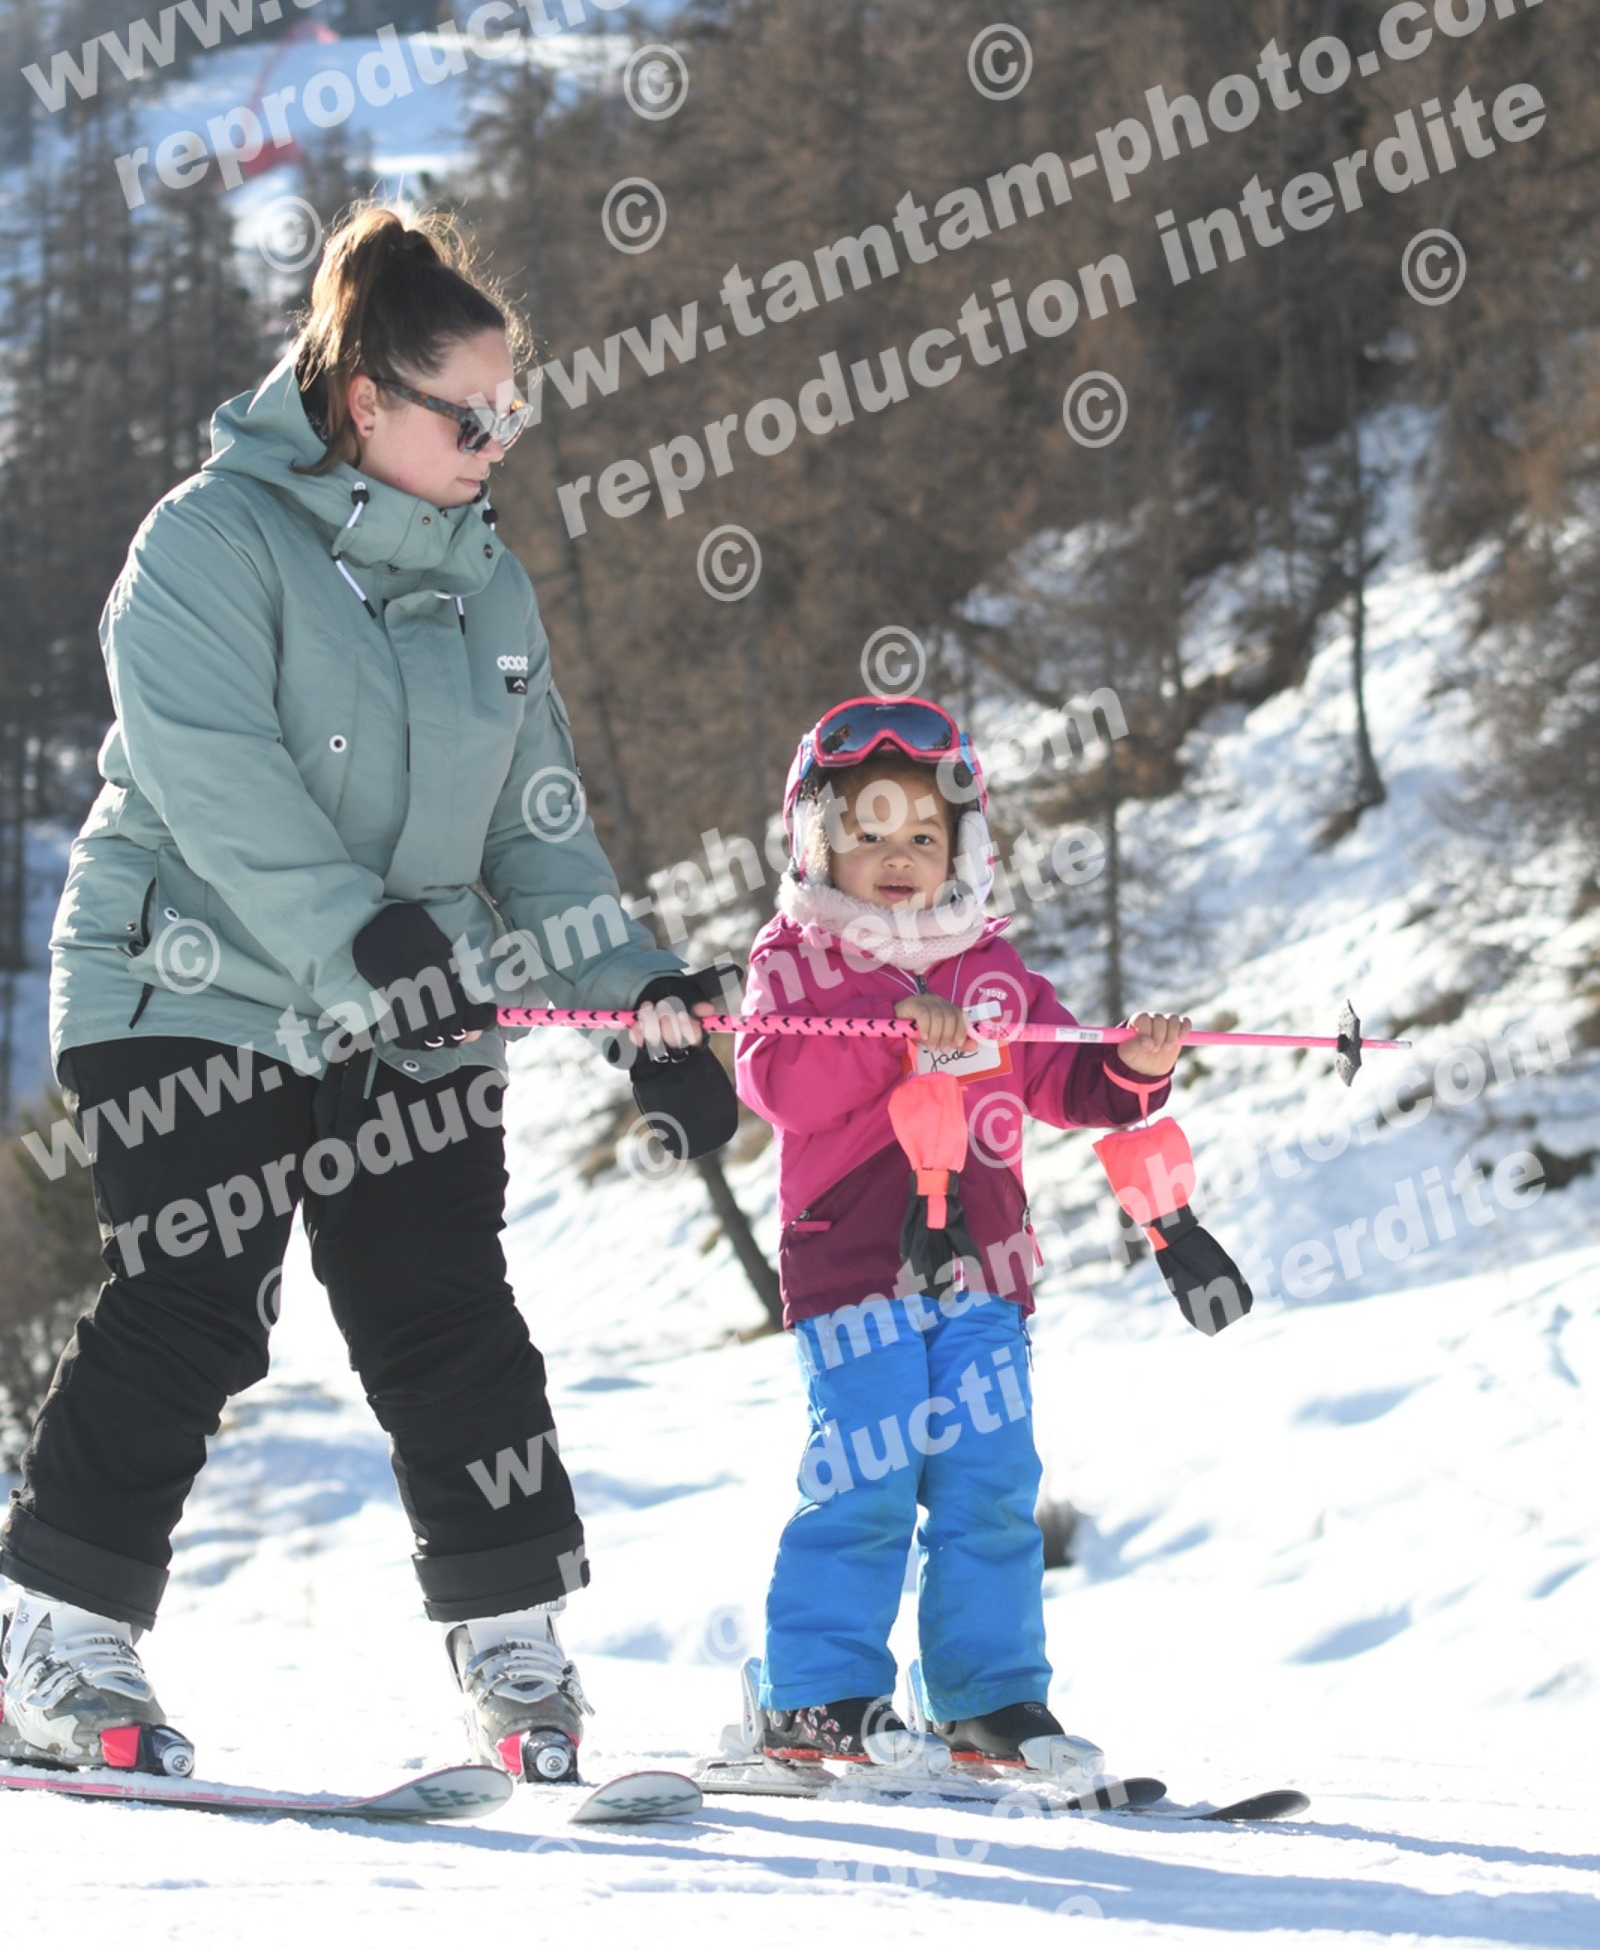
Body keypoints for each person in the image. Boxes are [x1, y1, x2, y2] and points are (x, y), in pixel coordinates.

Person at [0, 204, 734, 1783]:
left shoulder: (493, 592)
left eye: (511, 411)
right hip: (187, 978)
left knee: (444, 1305)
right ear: (363, 401)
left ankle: (514, 1638)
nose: (498, 441)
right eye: (468, 415)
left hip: (408, 1001)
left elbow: (538, 844)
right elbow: (220, 788)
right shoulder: (207, 541)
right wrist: (372, 947)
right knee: (197, 1293)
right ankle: (57, 1630)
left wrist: (644, 997)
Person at [735, 694, 1242, 1775]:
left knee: (988, 1483)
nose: (900, 856)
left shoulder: (993, 968)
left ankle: (988, 1697)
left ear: (962, 848)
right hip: (856, 1267)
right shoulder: (798, 959)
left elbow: (1066, 1075)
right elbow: (778, 1081)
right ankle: (816, 1694)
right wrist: (889, 1033)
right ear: (816, 842)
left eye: (925, 834)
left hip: (985, 1272)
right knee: (868, 1475)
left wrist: (1134, 1067)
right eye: (870, 831)